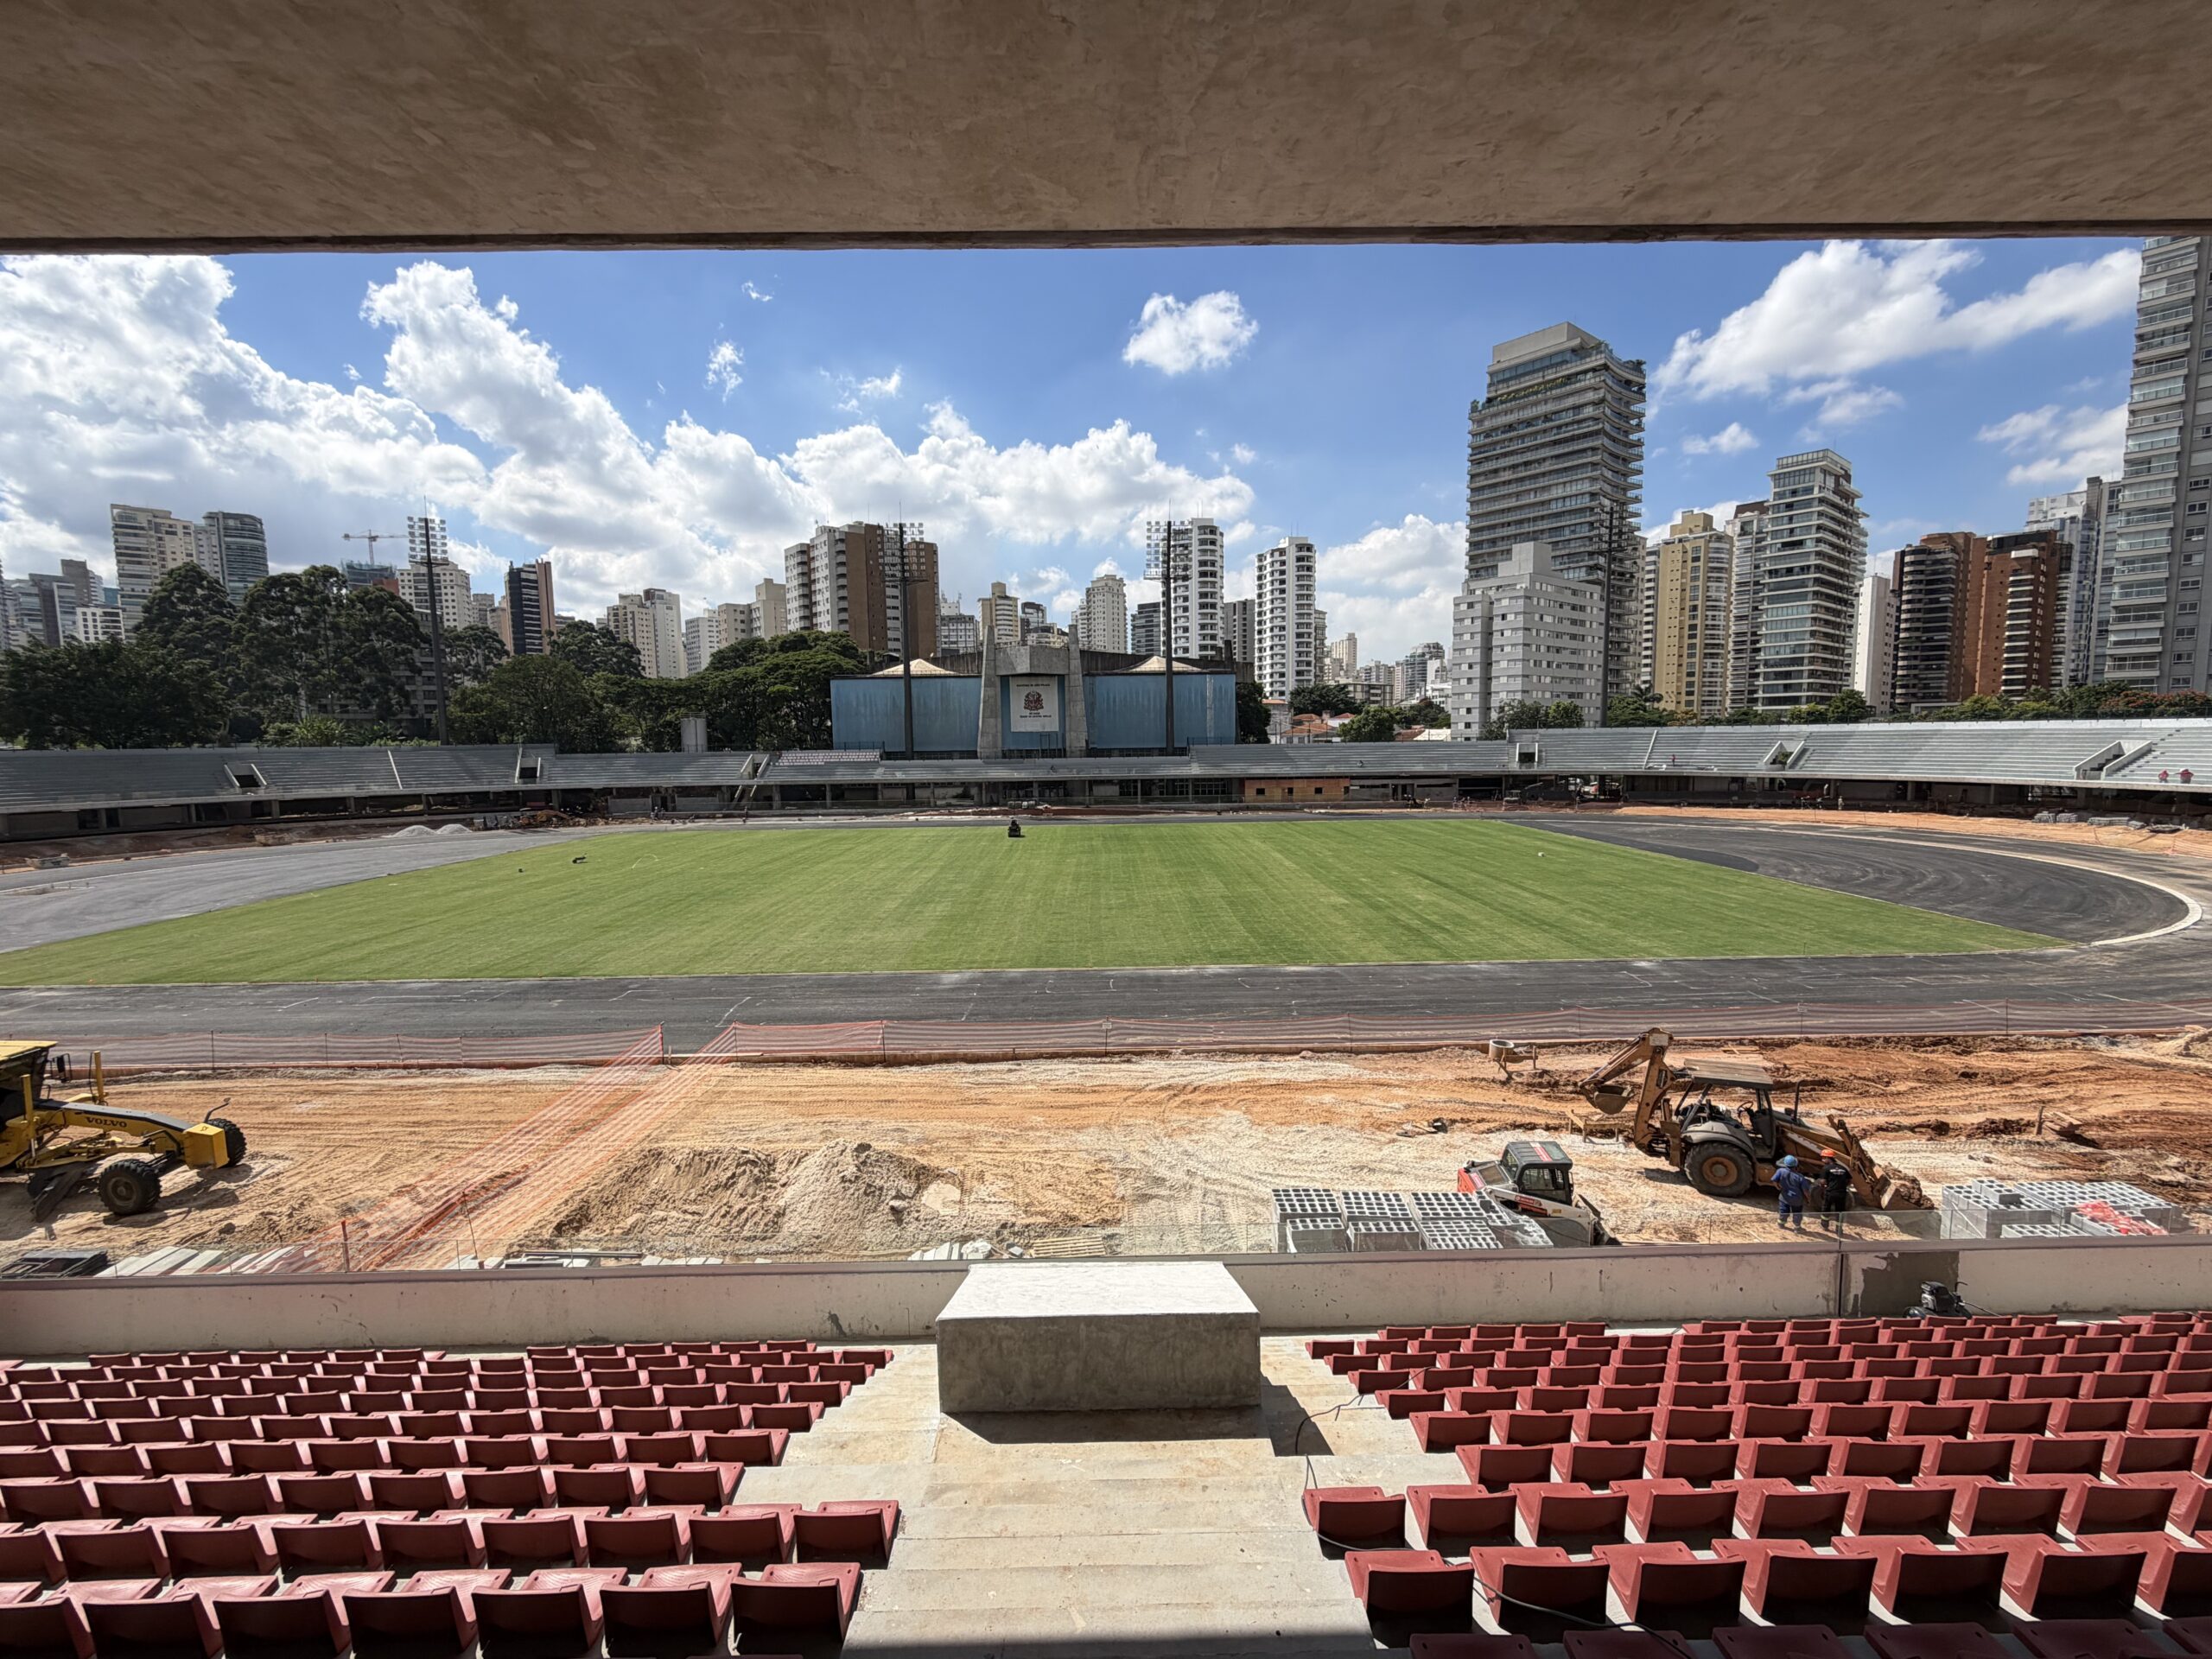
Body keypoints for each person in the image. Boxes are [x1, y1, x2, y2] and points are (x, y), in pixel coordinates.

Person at [1773, 1154, 1812, 1231]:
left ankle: (1781, 1224)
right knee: (1797, 1214)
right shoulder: (1800, 1177)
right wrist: (1809, 1199)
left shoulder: (1780, 1171)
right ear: (1796, 1165)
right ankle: (1797, 1228)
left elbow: (1774, 1181)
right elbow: (1805, 1191)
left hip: (1784, 1197)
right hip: (1796, 1200)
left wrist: (1777, 1187)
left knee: (1783, 1211)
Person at [1820, 1154, 1853, 1233]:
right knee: (1840, 1211)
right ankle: (1839, 1229)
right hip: (1842, 1193)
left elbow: (1823, 1182)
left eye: (1823, 1158)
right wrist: (1843, 1186)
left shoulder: (1826, 1168)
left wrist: (1822, 1186)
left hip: (1830, 1192)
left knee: (1826, 1208)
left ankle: (1824, 1225)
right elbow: (1850, 1180)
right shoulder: (1843, 1168)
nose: (1822, 1160)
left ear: (1828, 1158)